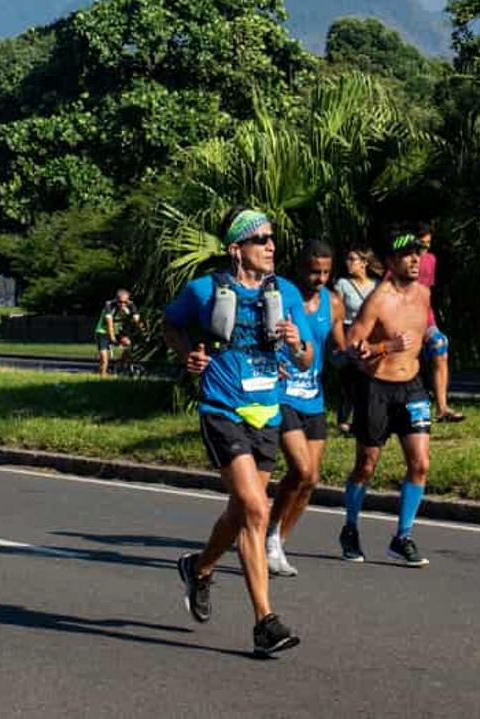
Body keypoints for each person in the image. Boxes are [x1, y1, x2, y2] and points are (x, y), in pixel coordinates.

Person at [163, 208, 304, 660]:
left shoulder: (287, 293)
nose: (271, 246)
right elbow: (170, 323)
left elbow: (304, 359)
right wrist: (189, 356)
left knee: (241, 512)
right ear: (235, 248)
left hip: (267, 411)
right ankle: (265, 621)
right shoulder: (204, 290)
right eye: (260, 239)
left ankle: (199, 567)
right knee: (255, 509)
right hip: (222, 408)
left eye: (272, 239)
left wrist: (297, 343)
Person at [340, 228, 435, 568]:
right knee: (366, 465)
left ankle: (403, 537)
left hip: (411, 386)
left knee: (420, 463)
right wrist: (384, 347)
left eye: (417, 254)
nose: (414, 259)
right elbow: (352, 345)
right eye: (407, 254)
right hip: (376, 386)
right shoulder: (378, 299)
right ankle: (350, 528)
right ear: (392, 262)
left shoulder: (423, 294)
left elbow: (424, 331)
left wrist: (436, 338)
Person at [266, 240, 344, 577]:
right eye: (314, 271)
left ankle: (277, 542)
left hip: (313, 396)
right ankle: (267, 537)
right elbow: (257, 333)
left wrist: (358, 353)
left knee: (311, 479)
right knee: (300, 469)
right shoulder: (279, 295)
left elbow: (339, 346)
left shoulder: (334, 303)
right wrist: (270, 363)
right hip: (283, 394)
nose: (320, 278)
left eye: (326, 272)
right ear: (300, 268)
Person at [415, 225, 465, 424]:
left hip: (425, 316)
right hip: (403, 317)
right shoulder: (400, 260)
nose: (425, 248)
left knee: (440, 344)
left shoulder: (430, 260)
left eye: (428, 244)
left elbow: (427, 290)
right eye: (422, 243)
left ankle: (442, 407)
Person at [330, 246, 377, 433]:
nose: (349, 263)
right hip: (349, 331)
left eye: (353, 259)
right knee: (349, 378)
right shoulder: (342, 284)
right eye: (348, 259)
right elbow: (337, 315)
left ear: (364, 263)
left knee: (367, 379)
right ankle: (343, 420)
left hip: (370, 334)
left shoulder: (376, 284)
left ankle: (364, 419)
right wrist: (338, 341)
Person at [95, 288, 135, 377]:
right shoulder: (109, 305)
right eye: (120, 302)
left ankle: (119, 364)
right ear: (116, 300)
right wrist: (113, 339)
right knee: (104, 360)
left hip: (117, 331)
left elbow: (136, 317)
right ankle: (102, 378)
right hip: (103, 332)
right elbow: (109, 324)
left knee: (128, 344)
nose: (122, 304)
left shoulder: (130, 305)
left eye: (125, 302)